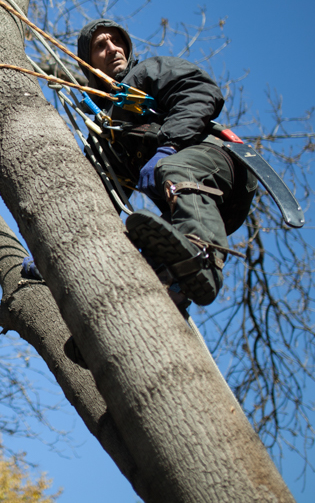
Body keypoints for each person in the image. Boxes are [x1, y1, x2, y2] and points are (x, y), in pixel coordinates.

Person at [71, 18, 257, 308]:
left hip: (216, 164)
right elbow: (98, 197)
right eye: (100, 46)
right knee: (143, 248)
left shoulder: (147, 72)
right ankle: (166, 293)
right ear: (88, 62)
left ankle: (203, 259)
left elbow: (199, 92)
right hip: (195, 207)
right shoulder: (104, 129)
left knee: (171, 169)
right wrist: (62, 253)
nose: (113, 49)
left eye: (117, 41)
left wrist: (169, 146)